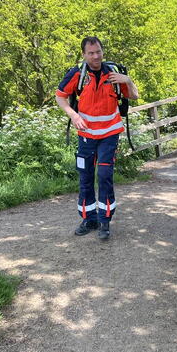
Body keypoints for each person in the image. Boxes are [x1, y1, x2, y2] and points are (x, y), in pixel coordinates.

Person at [56, 37, 139, 240]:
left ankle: (105, 221)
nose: (96, 56)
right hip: (86, 135)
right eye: (91, 53)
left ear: (102, 51)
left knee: (104, 176)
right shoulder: (77, 74)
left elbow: (134, 95)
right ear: (84, 54)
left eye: (98, 52)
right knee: (85, 178)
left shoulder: (113, 73)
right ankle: (88, 219)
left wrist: (127, 80)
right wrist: (74, 116)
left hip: (109, 134)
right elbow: (60, 96)